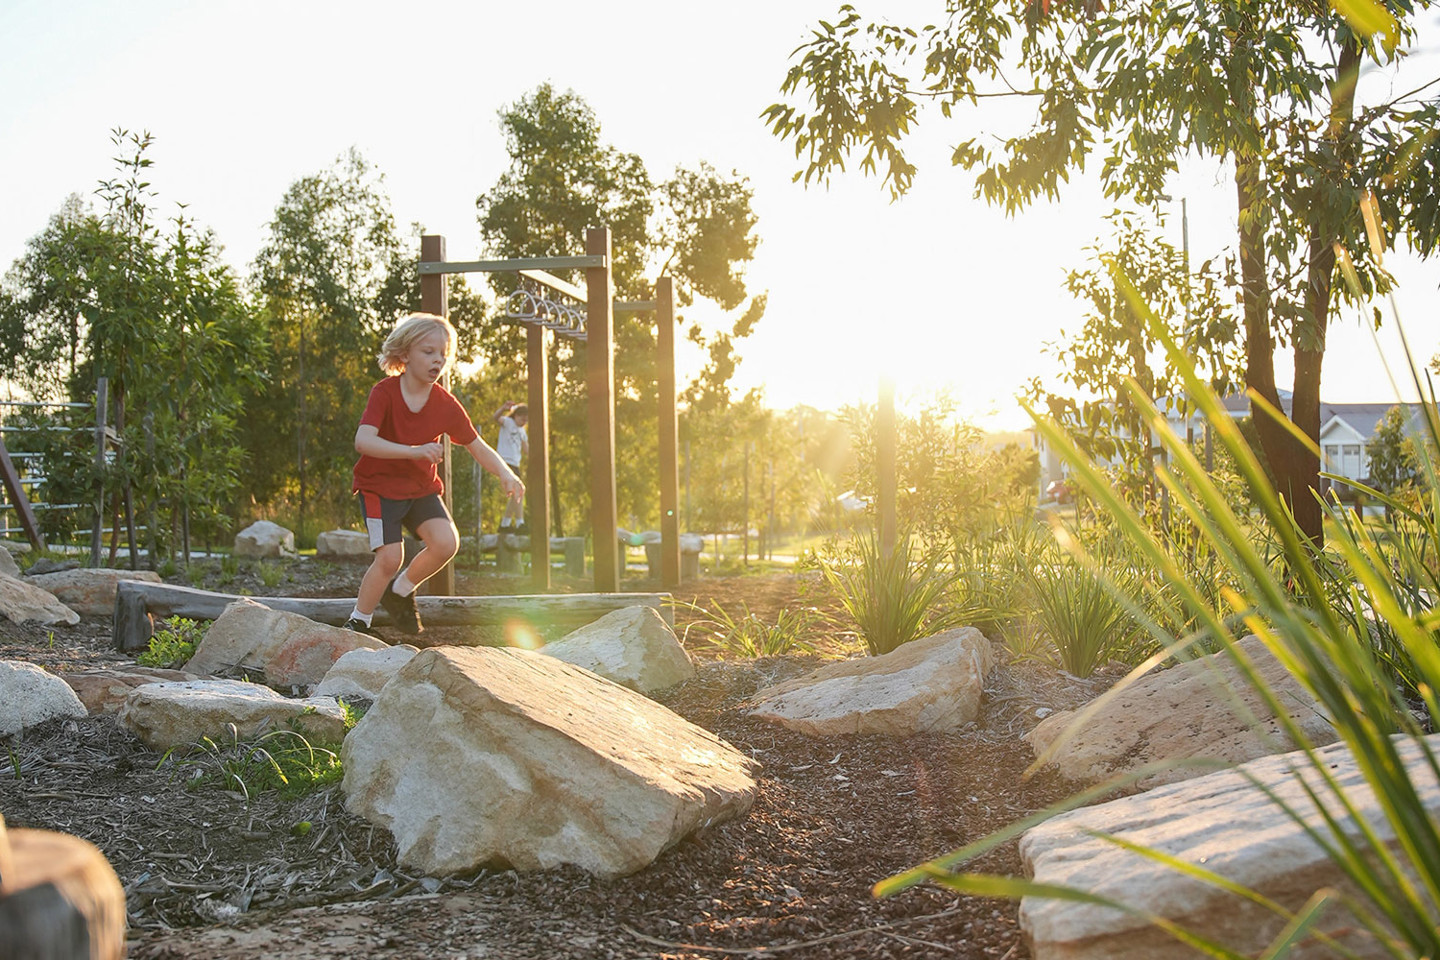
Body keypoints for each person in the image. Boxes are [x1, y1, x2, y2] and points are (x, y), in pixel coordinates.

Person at [344, 313, 523, 635]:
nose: (437, 360)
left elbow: (477, 445)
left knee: (446, 543)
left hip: (420, 488)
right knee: (389, 559)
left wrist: (505, 473)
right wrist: (413, 450)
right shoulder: (384, 393)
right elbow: (363, 441)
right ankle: (359, 621)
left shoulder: (445, 404)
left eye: (443, 354)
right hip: (379, 488)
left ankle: (399, 593)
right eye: (428, 352)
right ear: (405, 354)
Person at [492, 400, 529, 533]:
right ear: (516, 415)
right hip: (505, 461)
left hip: (515, 463)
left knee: (517, 493)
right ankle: (519, 524)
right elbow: (495, 417)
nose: (523, 422)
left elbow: (527, 449)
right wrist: (503, 408)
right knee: (518, 491)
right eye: (522, 419)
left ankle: (505, 524)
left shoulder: (523, 431)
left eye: (526, 420)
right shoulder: (508, 422)